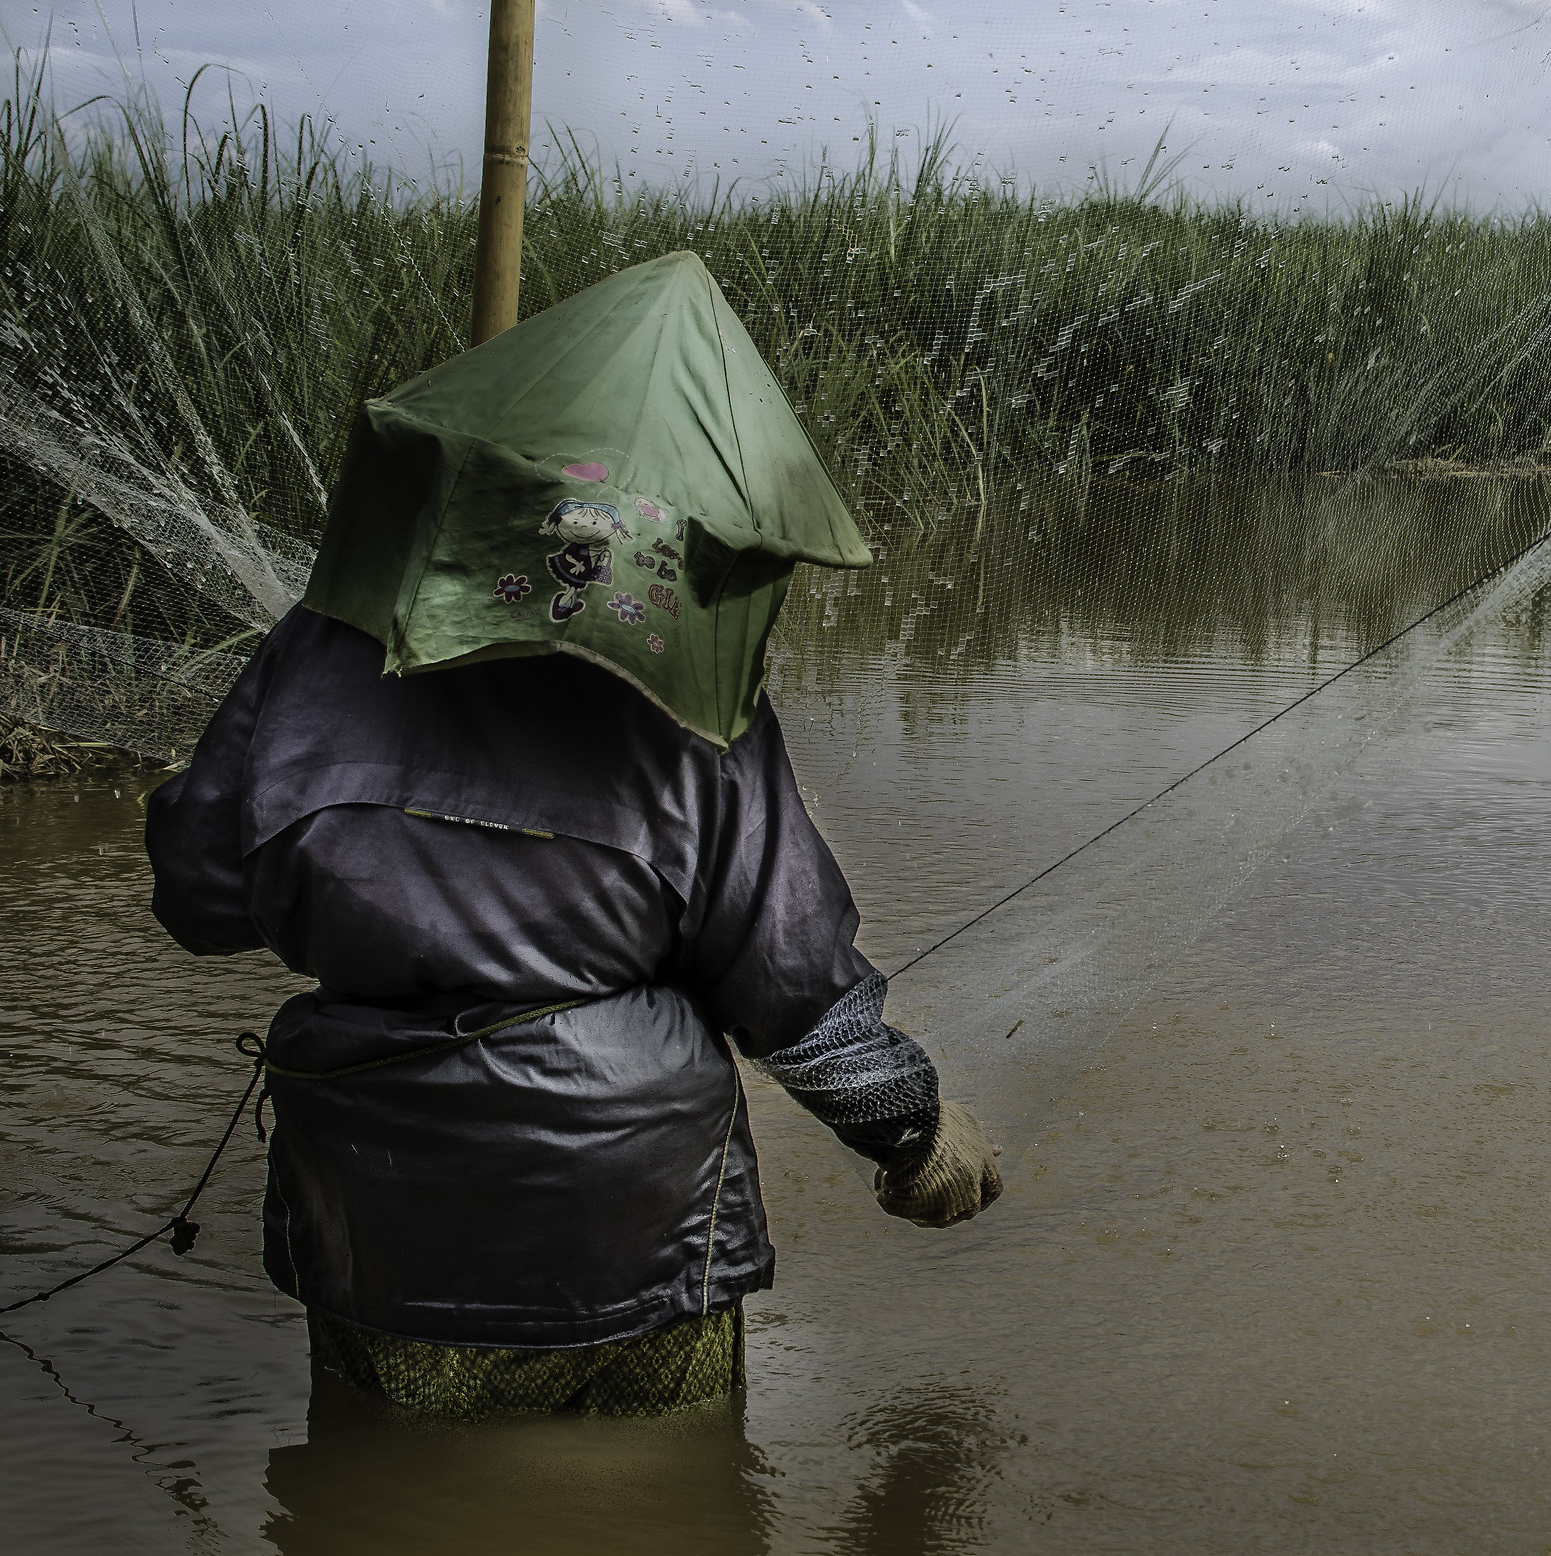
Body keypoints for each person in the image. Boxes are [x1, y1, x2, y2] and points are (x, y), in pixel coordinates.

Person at [143, 251, 1000, 1420]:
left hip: (372, 1211)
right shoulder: (695, 710)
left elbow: (198, 897)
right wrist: (909, 1128)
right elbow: (790, 984)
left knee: (383, 1491)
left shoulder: (315, 645)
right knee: (666, 1505)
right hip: (631, 1223)